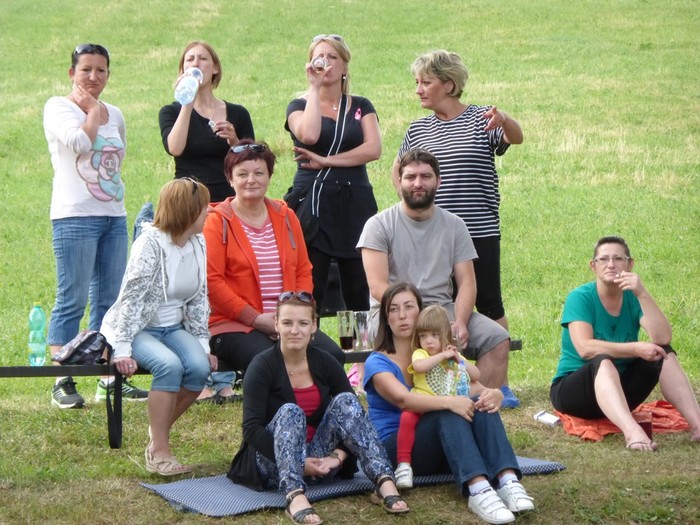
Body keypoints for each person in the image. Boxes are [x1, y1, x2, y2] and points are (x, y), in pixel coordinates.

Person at [228, 291, 409, 524]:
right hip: (271, 461)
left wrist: (337, 457)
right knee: (290, 411)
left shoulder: (325, 362)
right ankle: (294, 496)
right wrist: (298, 463)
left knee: (346, 400)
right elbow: (251, 429)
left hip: (320, 456)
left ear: (314, 326)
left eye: (303, 323)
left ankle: (384, 481)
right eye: (287, 323)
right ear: (276, 324)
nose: (295, 330)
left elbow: (354, 416)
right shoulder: (261, 366)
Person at [358, 148, 518, 407]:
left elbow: (467, 283)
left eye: (426, 176)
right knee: (419, 334)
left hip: (444, 309)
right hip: (394, 311)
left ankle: (477, 407)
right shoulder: (378, 225)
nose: (418, 183)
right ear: (399, 181)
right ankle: (435, 405)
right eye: (410, 177)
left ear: (438, 181)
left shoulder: (455, 225)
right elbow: (378, 287)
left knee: (497, 338)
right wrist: (417, 314)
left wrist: (461, 322)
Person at [364, 282, 534, 525]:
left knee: (478, 403)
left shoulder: (438, 356)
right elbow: (404, 400)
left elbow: (468, 386)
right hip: (398, 451)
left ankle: (508, 480)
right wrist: (450, 402)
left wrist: (493, 393)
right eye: (393, 309)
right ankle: (478, 490)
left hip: (442, 443)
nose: (401, 315)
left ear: (421, 313)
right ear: (385, 318)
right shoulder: (377, 362)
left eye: (409, 307)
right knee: (448, 409)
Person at [391, 50, 522, 343]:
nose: (418, 90)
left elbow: (515, 138)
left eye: (426, 82)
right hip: (434, 234)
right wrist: (413, 208)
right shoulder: (418, 129)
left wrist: (504, 120)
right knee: (434, 304)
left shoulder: (482, 119)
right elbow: (398, 170)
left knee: (489, 303)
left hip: (479, 231)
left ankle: (497, 366)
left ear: (449, 85)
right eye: (417, 82)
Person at [43, 43, 147, 409]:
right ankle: (62, 379)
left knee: (110, 299)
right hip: (74, 216)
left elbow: (117, 156)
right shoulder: (58, 107)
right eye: (85, 69)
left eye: (100, 70)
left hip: (113, 216)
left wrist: (99, 111)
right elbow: (79, 142)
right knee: (71, 298)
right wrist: (90, 110)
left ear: (108, 74)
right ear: (72, 73)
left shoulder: (115, 113)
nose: (93, 76)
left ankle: (107, 378)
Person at [159, 40, 255, 402]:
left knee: (226, 284)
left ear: (215, 68)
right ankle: (196, 374)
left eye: (203, 58)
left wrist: (234, 140)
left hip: (228, 206)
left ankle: (226, 375)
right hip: (188, 207)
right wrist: (186, 102)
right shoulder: (172, 110)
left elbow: (251, 161)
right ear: (182, 69)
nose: (196, 63)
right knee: (189, 285)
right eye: (189, 59)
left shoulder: (236, 112)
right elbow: (175, 148)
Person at [101, 178, 216, 475]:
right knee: (169, 366)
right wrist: (122, 349)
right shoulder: (150, 243)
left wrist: (203, 344)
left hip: (173, 327)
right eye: (204, 207)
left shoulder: (198, 242)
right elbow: (131, 298)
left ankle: (157, 435)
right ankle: (160, 453)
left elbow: (199, 297)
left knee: (199, 368)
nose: (209, 212)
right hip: (138, 328)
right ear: (189, 211)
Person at [203, 140, 344, 378]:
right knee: (272, 361)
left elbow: (303, 269)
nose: (251, 180)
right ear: (230, 179)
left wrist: (295, 317)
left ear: (269, 176)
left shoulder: (286, 216)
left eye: (259, 173)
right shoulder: (217, 222)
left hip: (287, 321)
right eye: (242, 174)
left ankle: (323, 403)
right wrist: (256, 319)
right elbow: (213, 283)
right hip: (235, 324)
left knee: (331, 356)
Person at [550, 236, 700, 450]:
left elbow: (663, 338)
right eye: (603, 259)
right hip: (574, 393)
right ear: (593, 266)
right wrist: (635, 349)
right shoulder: (580, 297)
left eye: (618, 258)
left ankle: (697, 425)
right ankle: (633, 434)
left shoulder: (633, 297)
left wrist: (642, 293)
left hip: (619, 391)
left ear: (630, 264)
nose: (611, 264)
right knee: (602, 361)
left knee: (663, 352)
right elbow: (585, 348)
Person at [284, 34, 380, 315]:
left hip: (355, 203)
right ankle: (307, 339)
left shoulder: (361, 105)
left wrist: (327, 161)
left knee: (358, 291)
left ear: (344, 66)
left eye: (332, 57)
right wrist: (314, 88)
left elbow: (373, 149)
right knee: (311, 288)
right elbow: (309, 135)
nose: (325, 62)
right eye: (319, 56)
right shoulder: (298, 105)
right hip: (314, 205)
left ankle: (358, 344)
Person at [395, 304, 481, 489]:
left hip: (444, 409)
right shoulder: (420, 353)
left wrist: (458, 360)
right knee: (406, 418)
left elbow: (476, 375)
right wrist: (442, 355)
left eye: (435, 335)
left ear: (446, 336)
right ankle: (403, 464)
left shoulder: (453, 356)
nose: (429, 341)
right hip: (422, 404)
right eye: (423, 336)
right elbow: (419, 367)